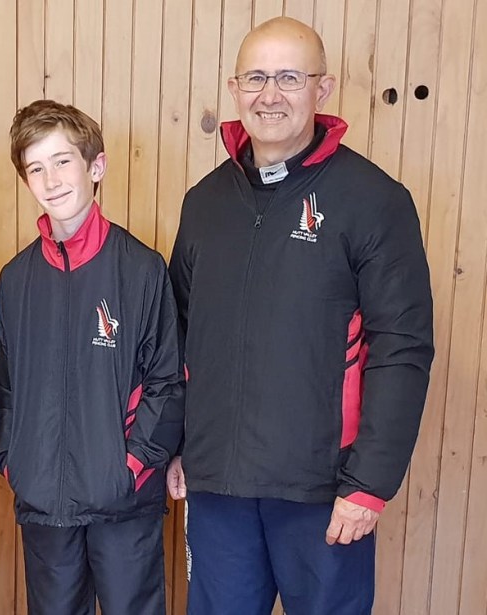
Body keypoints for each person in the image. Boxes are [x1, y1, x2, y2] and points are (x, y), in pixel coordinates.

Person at [167, 17, 434, 615]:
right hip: (218, 487)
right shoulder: (204, 203)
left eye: (290, 77)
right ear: (235, 88)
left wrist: (369, 484)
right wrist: (178, 445)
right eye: (256, 78)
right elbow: (178, 335)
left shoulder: (374, 200)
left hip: (324, 490)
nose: (271, 94)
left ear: (323, 88)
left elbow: (403, 347)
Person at [0, 99, 183, 615]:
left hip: (124, 502)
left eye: (62, 161)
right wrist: (15, 462)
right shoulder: (16, 279)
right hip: (43, 505)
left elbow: (166, 381)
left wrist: (131, 465)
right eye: (35, 168)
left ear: (96, 167)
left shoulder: (141, 269)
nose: (51, 179)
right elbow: (4, 386)